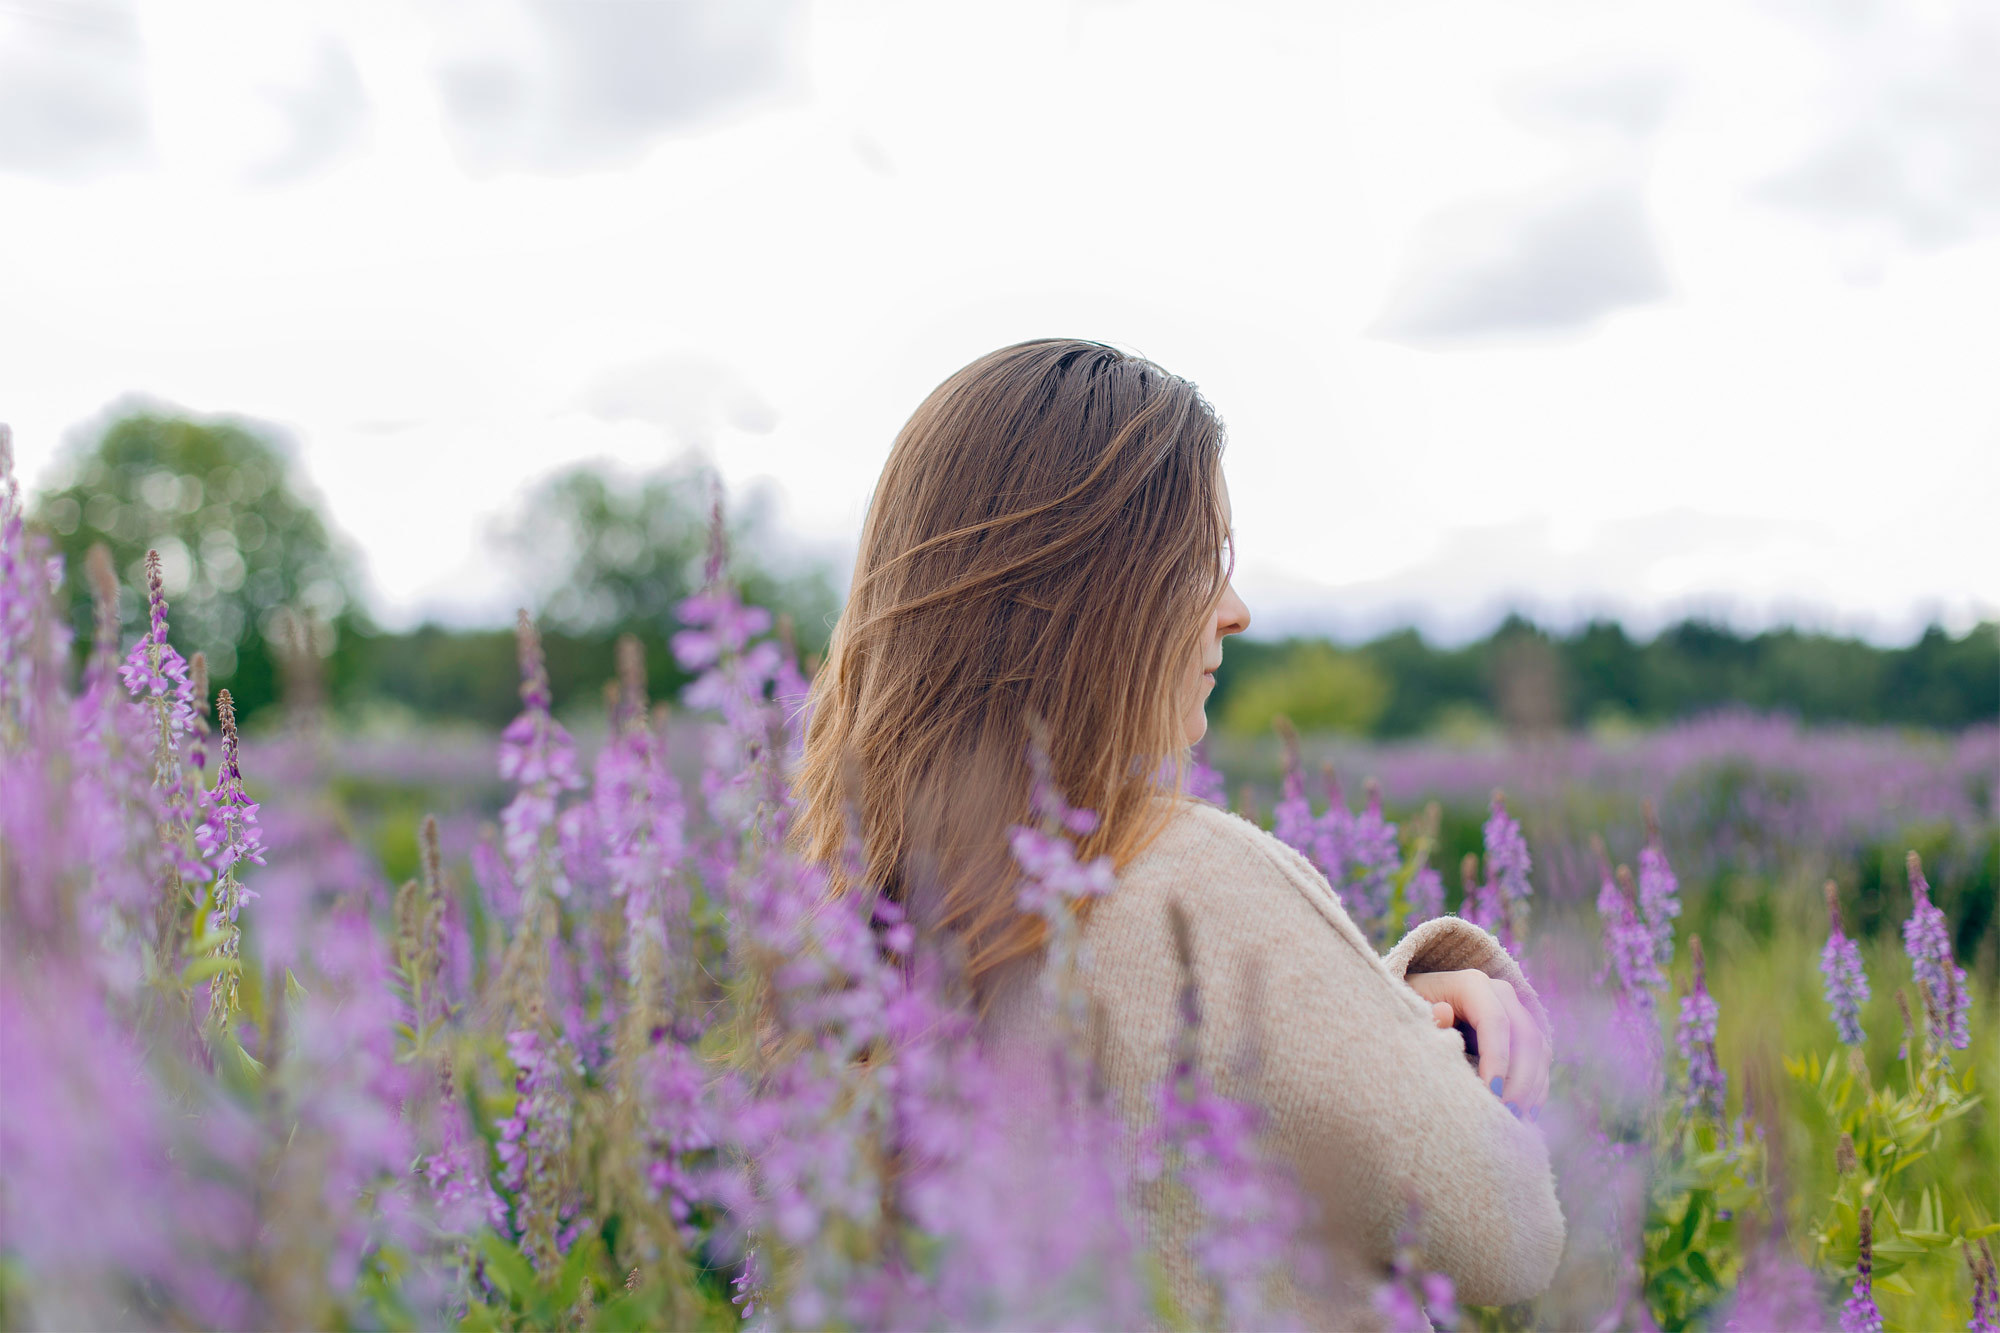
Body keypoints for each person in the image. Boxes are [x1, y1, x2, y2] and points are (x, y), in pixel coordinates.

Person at [793, 337, 1564, 1327]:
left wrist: (1390, 1005)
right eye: (1200, 561)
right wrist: (1439, 1036)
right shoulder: (1186, 878)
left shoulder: (895, 914)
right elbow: (1508, 1232)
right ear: (1096, 588)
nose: (1233, 611)